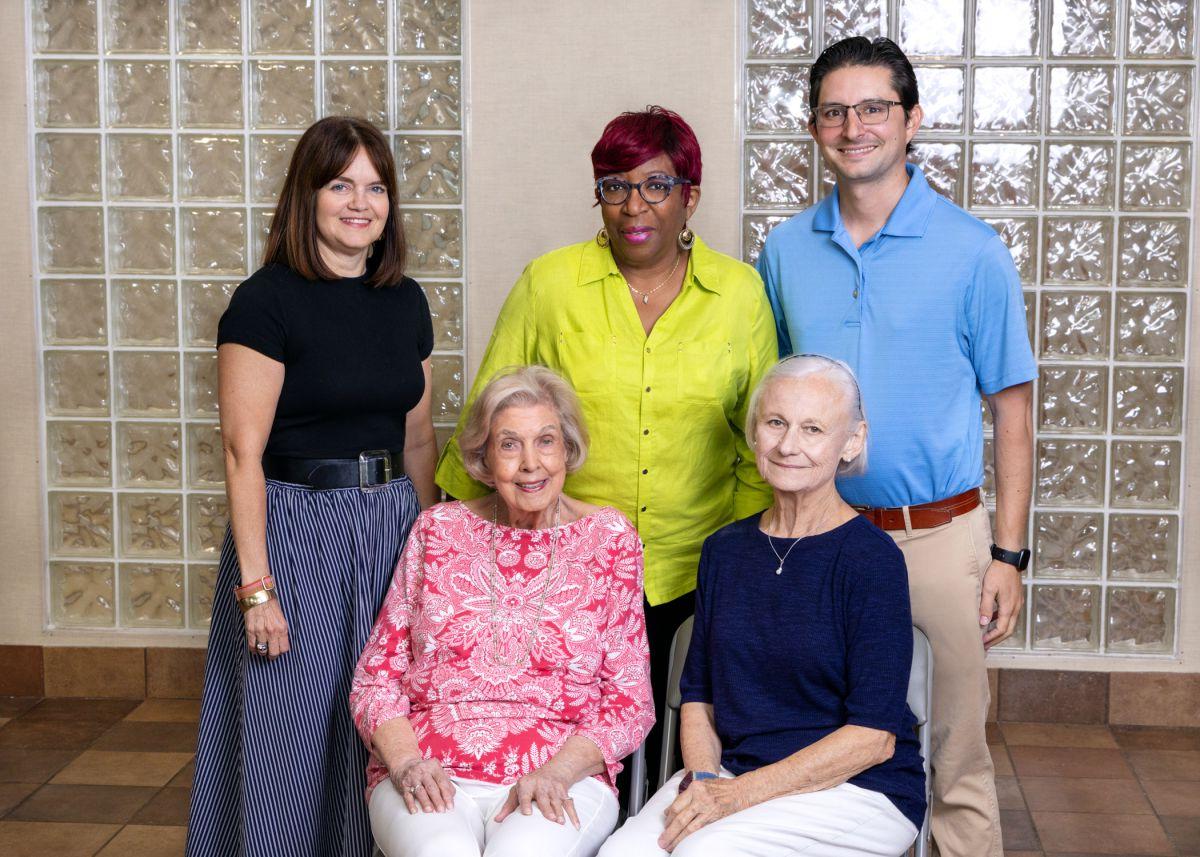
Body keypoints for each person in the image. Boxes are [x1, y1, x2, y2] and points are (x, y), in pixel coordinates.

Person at [435, 107, 777, 780]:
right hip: (565, 570)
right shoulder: (550, 285)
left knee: (693, 747)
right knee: (568, 754)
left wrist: (736, 558)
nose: (633, 205)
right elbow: (488, 429)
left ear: (691, 196)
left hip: (695, 569)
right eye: (614, 186)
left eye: (655, 184)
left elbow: (758, 446)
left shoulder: (740, 294)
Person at [756, 37, 1036, 857]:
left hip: (937, 539)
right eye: (834, 111)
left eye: (874, 107)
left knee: (956, 756)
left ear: (912, 120)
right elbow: (781, 399)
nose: (854, 127)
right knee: (823, 746)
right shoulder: (784, 250)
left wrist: (1010, 555)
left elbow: (1013, 415)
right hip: (817, 537)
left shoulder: (973, 250)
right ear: (814, 128)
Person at [187, 116, 439, 857]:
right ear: (308, 195)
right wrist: (257, 587)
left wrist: (435, 554)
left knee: (381, 718)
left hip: (392, 521)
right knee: (288, 727)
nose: (360, 202)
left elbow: (418, 437)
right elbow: (242, 450)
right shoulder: (265, 301)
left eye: (375, 186)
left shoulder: (406, 300)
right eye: (340, 184)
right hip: (295, 528)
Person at [601, 355, 924, 857]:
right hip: (732, 773)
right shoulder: (724, 551)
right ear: (754, 433)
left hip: (856, 789)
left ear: (852, 441)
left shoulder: (870, 560)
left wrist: (736, 797)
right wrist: (705, 780)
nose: (788, 445)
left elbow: (873, 738)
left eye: (812, 428)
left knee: (702, 853)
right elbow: (699, 697)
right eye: (775, 422)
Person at [350, 365, 654, 857]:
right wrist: (406, 764)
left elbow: (629, 700)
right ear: (484, 459)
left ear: (568, 450)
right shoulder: (437, 530)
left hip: (560, 773)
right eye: (509, 445)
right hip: (430, 769)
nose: (530, 463)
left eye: (546, 441)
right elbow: (376, 679)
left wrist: (557, 772)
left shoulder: (611, 540)